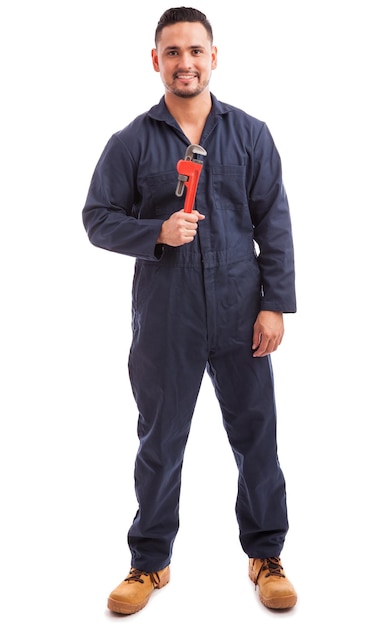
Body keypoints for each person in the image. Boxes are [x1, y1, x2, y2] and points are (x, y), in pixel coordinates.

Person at [82, 6, 297, 614]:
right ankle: (149, 563)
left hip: (240, 311)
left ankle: (267, 554)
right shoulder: (130, 141)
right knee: (160, 440)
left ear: (214, 57)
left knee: (257, 437)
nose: (185, 62)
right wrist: (157, 231)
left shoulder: (251, 134)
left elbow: (273, 222)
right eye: (172, 52)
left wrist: (274, 305)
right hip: (166, 317)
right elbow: (97, 218)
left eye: (195, 51)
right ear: (156, 61)